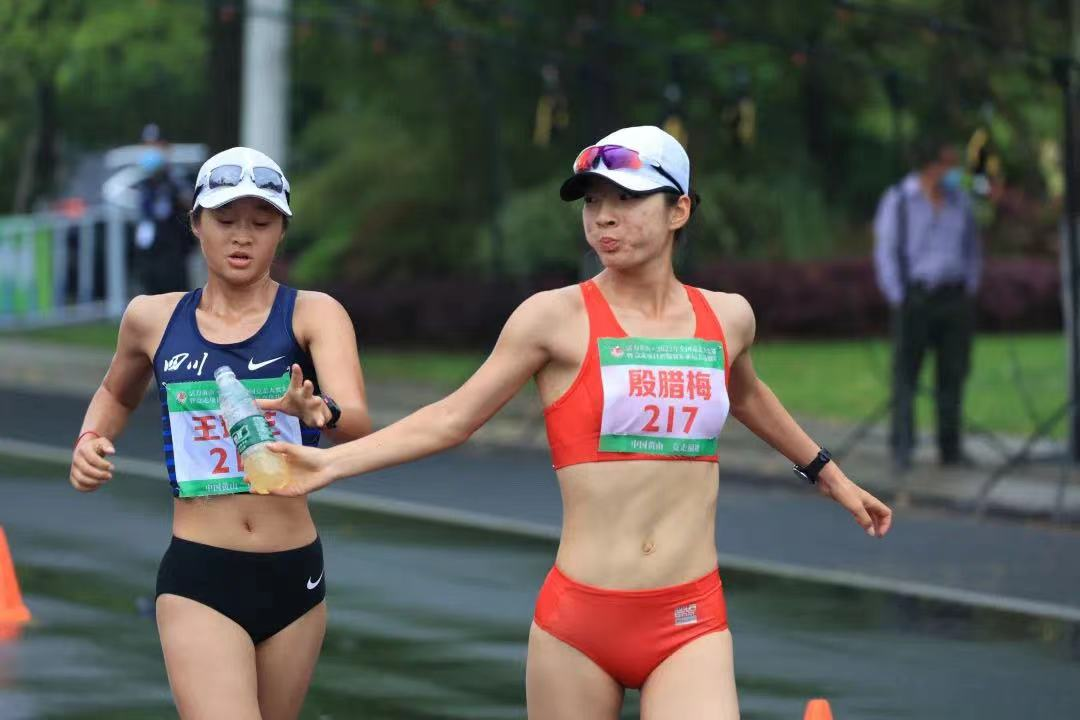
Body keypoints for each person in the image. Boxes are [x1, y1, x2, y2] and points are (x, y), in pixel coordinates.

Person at [267, 126, 892, 719]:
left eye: (627, 199)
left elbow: (747, 394)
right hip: (580, 625)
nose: (604, 218)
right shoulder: (553, 318)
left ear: (679, 210)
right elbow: (453, 418)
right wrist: (330, 461)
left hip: (690, 617)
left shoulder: (728, 318)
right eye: (593, 202)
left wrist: (830, 475)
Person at [68, 146, 371, 719]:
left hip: (294, 573)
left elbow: (357, 424)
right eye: (226, 220)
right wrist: (89, 440)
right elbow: (115, 393)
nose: (242, 237)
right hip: (201, 574)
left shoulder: (314, 313)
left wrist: (320, 412)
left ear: (281, 232)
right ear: (196, 224)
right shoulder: (152, 318)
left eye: (261, 223)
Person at [873, 133, 982, 470]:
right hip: (916, 297)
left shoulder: (961, 200)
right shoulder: (899, 199)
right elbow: (886, 251)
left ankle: (950, 448)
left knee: (953, 374)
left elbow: (972, 247)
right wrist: (898, 295)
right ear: (931, 165)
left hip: (953, 297)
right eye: (949, 164)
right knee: (906, 373)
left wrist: (969, 285)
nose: (955, 171)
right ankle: (903, 445)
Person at [134, 126, 194, 294]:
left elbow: (190, 203)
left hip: (174, 251)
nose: (151, 150)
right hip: (149, 253)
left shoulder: (177, 179)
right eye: (147, 145)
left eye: (156, 145)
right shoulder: (144, 182)